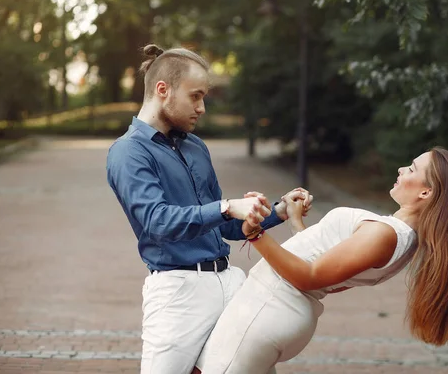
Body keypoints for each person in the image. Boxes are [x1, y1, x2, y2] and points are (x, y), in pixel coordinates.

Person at [106, 44, 313, 374]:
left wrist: (279, 211)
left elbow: (225, 226)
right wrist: (228, 206)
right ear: (163, 90)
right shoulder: (128, 153)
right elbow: (157, 222)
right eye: (195, 96)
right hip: (178, 294)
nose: (202, 108)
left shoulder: (196, 147)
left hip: (231, 283)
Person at [196, 147, 448, 374]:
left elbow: (310, 277)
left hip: (269, 307)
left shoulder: (386, 234)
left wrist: (256, 234)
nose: (401, 169)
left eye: (412, 168)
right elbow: (325, 268)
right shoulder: (402, 240)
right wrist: (295, 221)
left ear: (425, 192)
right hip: (275, 309)